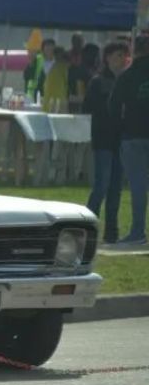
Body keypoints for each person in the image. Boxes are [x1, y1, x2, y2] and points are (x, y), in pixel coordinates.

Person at [84, 41, 129, 244]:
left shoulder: (126, 80)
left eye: (124, 56)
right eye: (118, 55)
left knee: (115, 188)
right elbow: (89, 108)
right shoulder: (98, 82)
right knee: (101, 185)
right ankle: (86, 228)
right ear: (108, 57)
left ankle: (111, 232)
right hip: (103, 139)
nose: (121, 59)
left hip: (120, 140)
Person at [110, 34, 149, 246]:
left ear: (134, 51)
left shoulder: (127, 75)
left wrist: (121, 128)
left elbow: (113, 106)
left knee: (138, 186)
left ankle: (138, 231)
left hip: (133, 135)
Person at [68, 43, 100, 113]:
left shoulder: (95, 71)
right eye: (97, 55)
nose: (99, 58)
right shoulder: (80, 71)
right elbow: (80, 93)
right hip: (80, 108)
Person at [41, 47, 71, 113]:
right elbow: (66, 85)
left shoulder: (52, 69)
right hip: (59, 103)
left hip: (49, 102)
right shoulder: (62, 68)